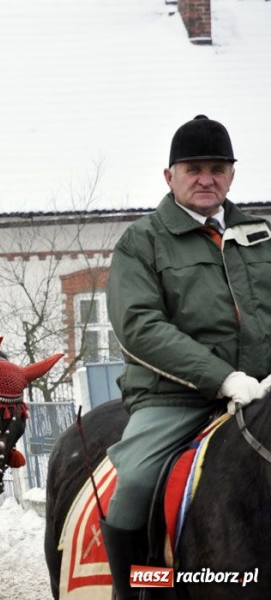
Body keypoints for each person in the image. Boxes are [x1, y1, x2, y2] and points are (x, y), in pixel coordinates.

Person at [103, 115, 271, 599]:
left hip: (263, 395)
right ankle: (135, 589)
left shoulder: (261, 234)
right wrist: (222, 378)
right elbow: (139, 327)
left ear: (232, 175)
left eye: (217, 168)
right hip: (175, 400)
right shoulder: (142, 241)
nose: (206, 179)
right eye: (193, 168)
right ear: (169, 176)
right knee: (132, 485)